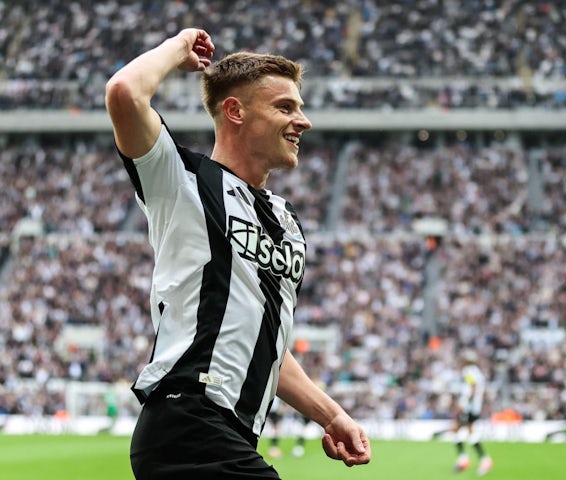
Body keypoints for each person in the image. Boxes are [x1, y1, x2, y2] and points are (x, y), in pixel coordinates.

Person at [105, 28, 371, 479]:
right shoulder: (183, 182)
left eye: (300, 107)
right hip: (188, 422)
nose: (302, 121)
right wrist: (179, 46)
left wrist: (331, 414)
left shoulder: (287, 223)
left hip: (231, 433)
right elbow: (125, 92)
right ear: (235, 111)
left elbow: (266, 345)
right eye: (285, 107)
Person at [450, 350, 493, 476]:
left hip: (469, 407)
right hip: (474, 407)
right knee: (462, 430)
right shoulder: (477, 371)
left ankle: (482, 460)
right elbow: (481, 390)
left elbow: (473, 387)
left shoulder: (468, 371)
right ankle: (466, 460)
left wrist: (463, 404)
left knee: (459, 430)